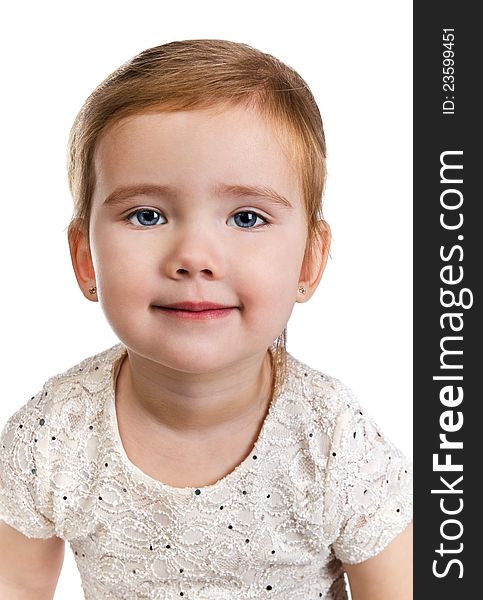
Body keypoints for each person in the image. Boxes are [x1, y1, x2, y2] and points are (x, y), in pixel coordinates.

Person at [0, 40, 412, 599]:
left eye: (247, 217)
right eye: (147, 215)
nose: (194, 255)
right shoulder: (56, 435)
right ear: (85, 258)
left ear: (309, 261)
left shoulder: (333, 441)